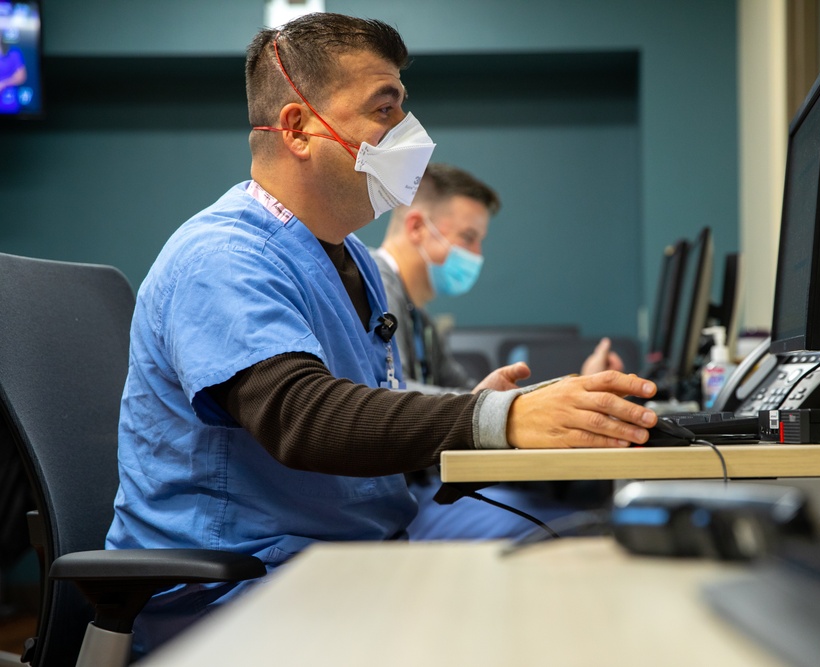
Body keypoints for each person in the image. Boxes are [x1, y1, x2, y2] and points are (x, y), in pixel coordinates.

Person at [105, 12, 657, 655]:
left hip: (357, 547)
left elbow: (364, 421)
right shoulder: (221, 256)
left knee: (581, 552)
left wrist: (482, 417)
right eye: (384, 108)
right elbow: (302, 417)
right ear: (298, 127)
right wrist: (489, 419)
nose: (409, 135)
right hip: (241, 583)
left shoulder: (353, 261)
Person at [372, 162, 624, 539]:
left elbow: (480, 397)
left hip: (429, 487)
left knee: (586, 501)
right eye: (469, 237)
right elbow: (394, 395)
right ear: (417, 227)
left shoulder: (418, 316)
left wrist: (574, 389)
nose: (477, 253)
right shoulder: (375, 286)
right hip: (404, 500)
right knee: (572, 526)